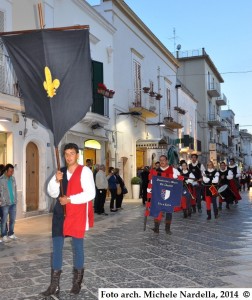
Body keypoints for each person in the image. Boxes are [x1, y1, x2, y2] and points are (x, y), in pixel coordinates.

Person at [41, 143, 95, 297]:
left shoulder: (85, 171)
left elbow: (91, 193)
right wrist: (56, 181)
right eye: (66, 154)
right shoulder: (61, 172)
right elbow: (52, 193)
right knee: (57, 247)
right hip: (60, 213)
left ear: (77, 155)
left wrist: (70, 199)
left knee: (78, 247)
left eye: (72, 153)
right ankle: (54, 285)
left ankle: (77, 283)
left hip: (76, 213)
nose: (69, 157)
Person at [147, 155, 181, 234]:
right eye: (160, 160)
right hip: (158, 194)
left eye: (163, 160)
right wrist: (150, 189)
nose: (162, 162)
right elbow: (152, 182)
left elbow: (179, 180)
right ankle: (156, 227)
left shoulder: (173, 170)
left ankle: (167, 229)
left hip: (170, 194)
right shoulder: (156, 171)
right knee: (157, 211)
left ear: (167, 161)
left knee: (169, 211)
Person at [0, 164, 18, 243]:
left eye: (13, 171)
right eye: (10, 171)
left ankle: (11, 233)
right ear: (6, 171)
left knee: (13, 220)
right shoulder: (1, 179)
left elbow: (15, 189)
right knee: (4, 220)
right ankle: (4, 235)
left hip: (13, 203)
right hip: (5, 204)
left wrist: (15, 199)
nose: (12, 173)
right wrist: (4, 201)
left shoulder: (13, 179)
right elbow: (1, 192)